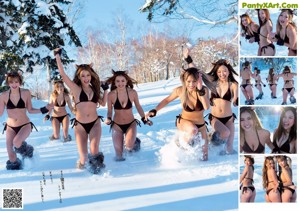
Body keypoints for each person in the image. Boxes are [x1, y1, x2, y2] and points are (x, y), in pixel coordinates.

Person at [147, 49, 210, 160]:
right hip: (184, 122)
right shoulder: (180, 90)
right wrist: (155, 110)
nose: (191, 84)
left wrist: (200, 90)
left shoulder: (203, 90)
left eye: (194, 81)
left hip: (201, 125)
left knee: (204, 157)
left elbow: (206, 107)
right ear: (184, 80)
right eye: (188, 81)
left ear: (198, 81)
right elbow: (167, 100)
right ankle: (178, 148)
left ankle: (191, 145)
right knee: (192, 130)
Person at [54, 48, 108, 173]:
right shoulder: (75, 89)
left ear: (91, 75)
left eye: (88, 75)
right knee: (83, 157)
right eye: (83, 75)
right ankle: (83, 166)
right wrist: (57, 56)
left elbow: (103, 103)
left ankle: (98, 171)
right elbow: (63, 74)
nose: (86, 78)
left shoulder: (94, 89)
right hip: (80, 126)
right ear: (79, 76)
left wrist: (105, 90)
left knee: (94, 149)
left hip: (95, 123)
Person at [0, 71, 53, 170]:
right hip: (10, 127)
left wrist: (45, 109)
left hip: (25, 125)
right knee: (11, 157)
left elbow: (30, 110)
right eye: (11, 82)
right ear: (8, 83)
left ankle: (28, 150)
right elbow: (0, 112)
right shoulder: (3, 95)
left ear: (20, 82)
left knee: (16, 142)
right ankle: (17, 170)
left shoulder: (25, 93)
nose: (14, 84)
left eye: (16, 82)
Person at [105, 70, 152, 161]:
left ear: (126, 81)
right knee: (119, 156)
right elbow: (109, 110)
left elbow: (138, 107)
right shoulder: (111, 95)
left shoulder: (132, 93)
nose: (120, 83)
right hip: (117, 125)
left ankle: (135, 142)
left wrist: (145, 119)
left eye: (123, 81)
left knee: (129, 147)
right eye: (117, 81)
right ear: (114, 82)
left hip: (130, 124)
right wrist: (109, 118)